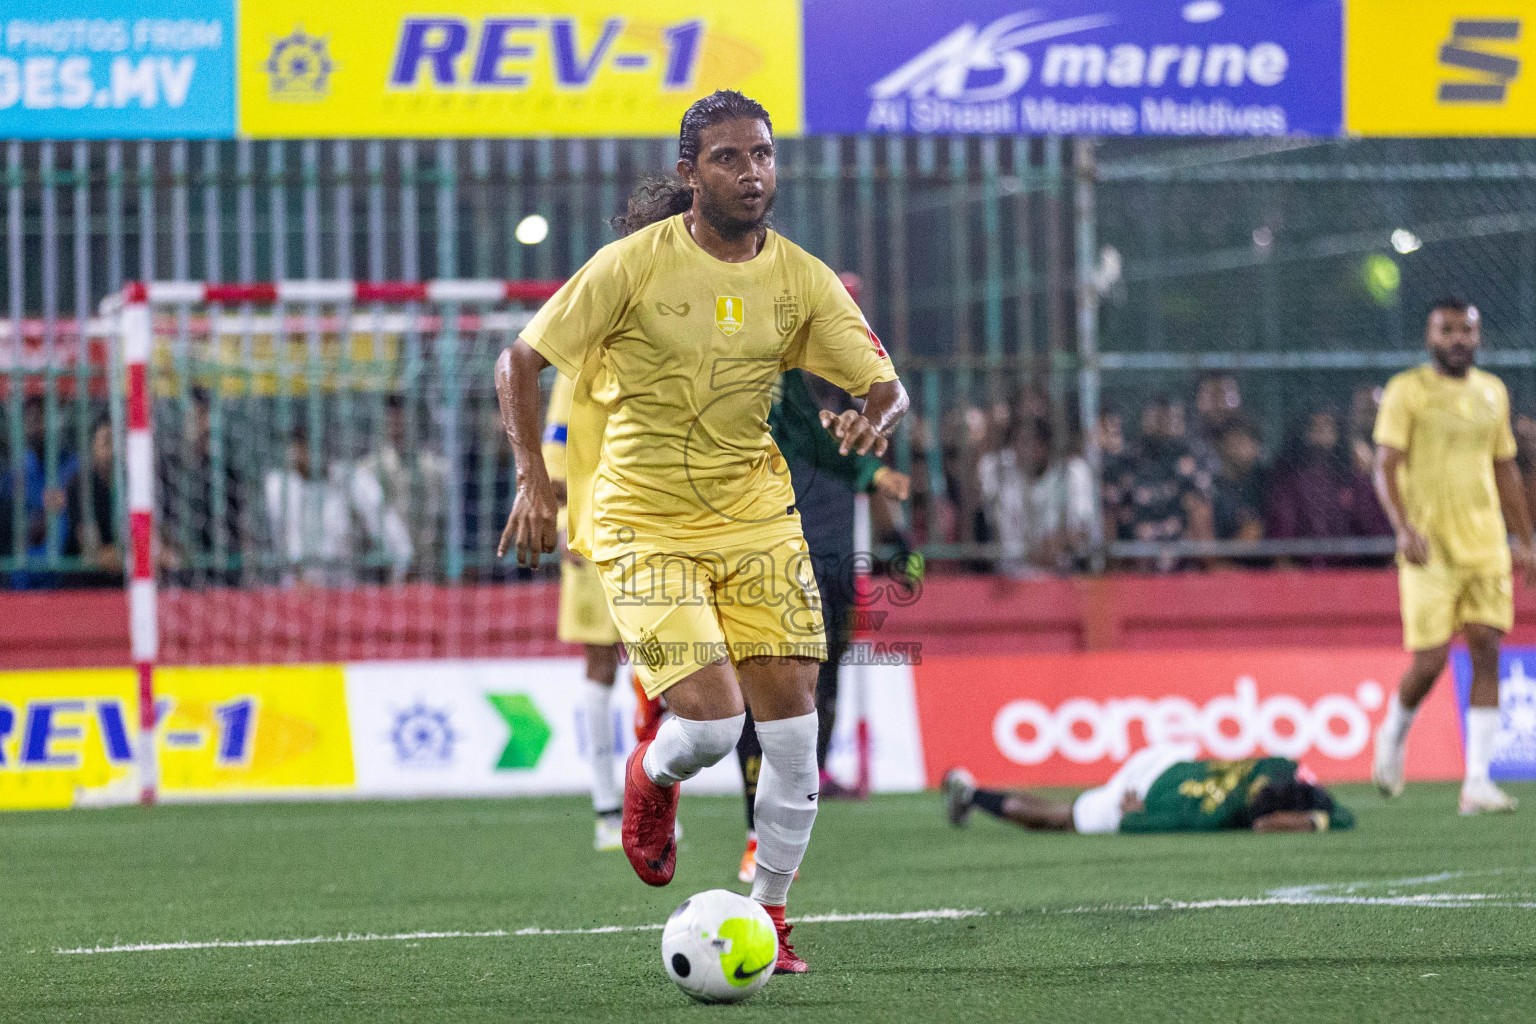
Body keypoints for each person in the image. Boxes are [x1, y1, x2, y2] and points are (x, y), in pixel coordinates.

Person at [493, 90, 908, 975]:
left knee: (794, 730)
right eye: (727, 157)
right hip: (643, 520)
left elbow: (883, 381)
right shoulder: (632, 266)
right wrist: (535, 480)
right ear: (689, 175)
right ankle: (650, 777)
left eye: (761, 154)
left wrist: (877, 417)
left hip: (757, 517)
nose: (750, 171)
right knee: (714, 731)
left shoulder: (801, 276)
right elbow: (520, 358)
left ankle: (772, 918)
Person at [733, 367, 911, 883]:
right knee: (759, 694)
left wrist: (895, 540)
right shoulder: (775, 404)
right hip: (776, 567)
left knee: (824, 690)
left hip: (836, 573)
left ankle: (798, 798)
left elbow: (869, 477)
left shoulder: (850, 417)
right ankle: (754, 827)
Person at [1371, 299, 1536, 815]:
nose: (1458, 339)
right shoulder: (1407, 391)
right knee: (1431, 661)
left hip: (1485, 545)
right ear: (1429, 335)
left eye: (1466, 330)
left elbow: (1506, 469)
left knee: (1488, 646)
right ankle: (1395, 733)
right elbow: (1385, 465)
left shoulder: (1493, 392)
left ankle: (1478, 783)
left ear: (1478, 335)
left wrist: (1526, 539)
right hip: (1429, 549)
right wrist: (1402, 529)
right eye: (1447, 330)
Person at [542, 370, 646, 852]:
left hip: (653, 527)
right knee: (601, 665)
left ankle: (651, 805)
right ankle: (607, 807)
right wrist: (565, 520)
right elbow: (557, 446)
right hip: (595, 530)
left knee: (660, 667)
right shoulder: (577, 365)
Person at [941, 745, 1355, 835]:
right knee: (1062, 819)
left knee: (1067, 814)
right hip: (1145, 794)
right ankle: (971, 794)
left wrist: (1319, 815)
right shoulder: (1215, 816)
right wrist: (1131, 815)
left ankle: (973, 795)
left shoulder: (1276, 767)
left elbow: (1306, 777)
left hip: (1170, 759)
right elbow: (1141, 823)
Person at [263, 426, 412, 587]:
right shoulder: (278, 486)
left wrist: (400, 570)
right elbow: (284, 542)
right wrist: (300, 577)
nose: (303, 453)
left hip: (342, 593)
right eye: (299, 445)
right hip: (296, 593)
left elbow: (392, 533)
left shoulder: (351, 479)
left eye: (309, 444)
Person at [358, 394, 450, 580]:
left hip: (429, 574)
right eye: (391, 416)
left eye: (401, 415)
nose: (396, 423)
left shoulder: (436, 469)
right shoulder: (370, 469)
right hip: (389, 577)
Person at [65, 416, 123, 587]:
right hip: (89, 586)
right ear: (92, 448)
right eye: (107, 442)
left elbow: (165, 548)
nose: (114, 450)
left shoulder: (136, 483)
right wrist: (140, 556)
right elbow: (93, 553)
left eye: (120, 440)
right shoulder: (80, 486)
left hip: (130, 582)